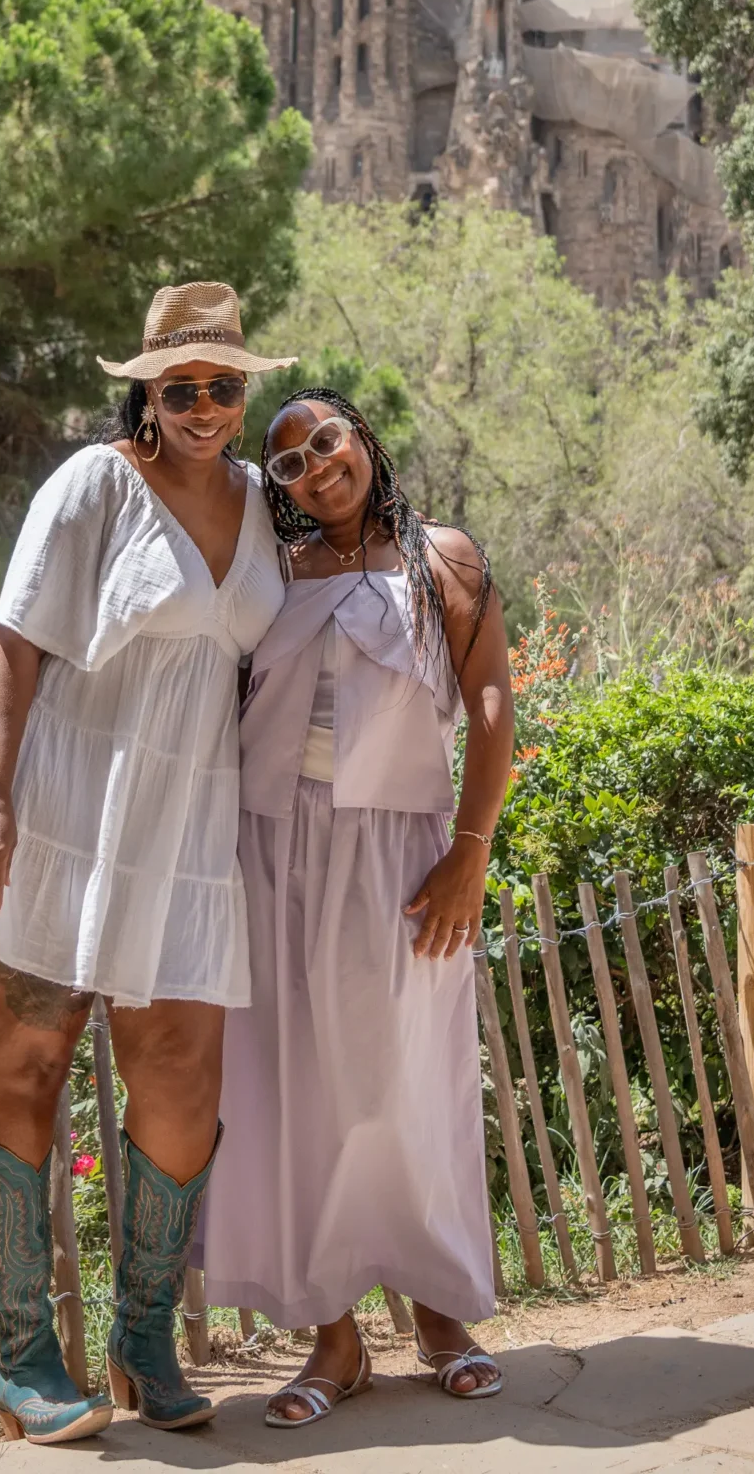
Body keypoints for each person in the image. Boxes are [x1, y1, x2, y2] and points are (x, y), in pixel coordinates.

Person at [0, 282, 293, 1444]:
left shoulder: (263, 505)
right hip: (59, 807)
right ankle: (25, 1358)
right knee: (27, 1060)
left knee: (181, 1082)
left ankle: (142, 1338)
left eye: (224, 386)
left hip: (182, 826)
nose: (206, 407)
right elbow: (13, 643)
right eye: (184, 388)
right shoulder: (93, 484)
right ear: (147, 393)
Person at [200, 388, 517, 1425]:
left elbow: (492, 709)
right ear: (279, 488)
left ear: (362, 438)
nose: (315, 467)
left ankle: (440, 1315)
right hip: (270, 852)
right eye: (288, 462)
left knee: (404, 1080)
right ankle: (333, 1340)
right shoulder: (273, 573)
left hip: (398, 855)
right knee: (293, 1090)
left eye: (326, 440)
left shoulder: (444, 560)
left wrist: (470, 852)